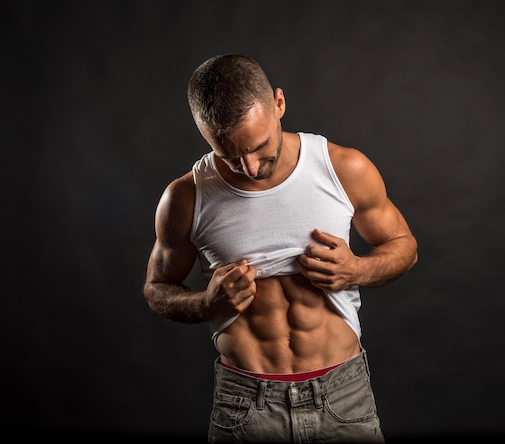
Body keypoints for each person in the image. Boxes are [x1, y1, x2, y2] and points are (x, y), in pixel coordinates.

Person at [143, 54, 418, 443]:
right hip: (245, 403)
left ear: (279, 104)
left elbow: (404, 246)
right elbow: (157, 288)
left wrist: (355, 270)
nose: (250, 167)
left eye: (259, 147)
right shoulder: (186, 196)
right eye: (230, 155)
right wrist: (207, 304)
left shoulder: (342, 168)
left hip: (342, 394)